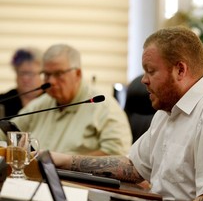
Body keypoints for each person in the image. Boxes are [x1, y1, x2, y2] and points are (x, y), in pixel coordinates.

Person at [50, 27, 203, 201]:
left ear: (180, 70)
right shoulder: (169, 109)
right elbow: (134, 168)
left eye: (151, 71)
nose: (143, 80)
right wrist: (61, 160)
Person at [2, 44, 132, 156]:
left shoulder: (103, 106)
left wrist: (69, 163)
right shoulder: (41, 104)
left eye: (58, 74)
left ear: (78, 74)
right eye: (46, 74)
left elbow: (118, 155)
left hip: (78, 183)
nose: (51, 81)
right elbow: (5, 135)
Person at [0, 47, 44, 117]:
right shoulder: (4, 100)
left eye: (30, 73)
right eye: (22, 73)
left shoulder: (52, 100)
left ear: (42, 74)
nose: (25, 78)